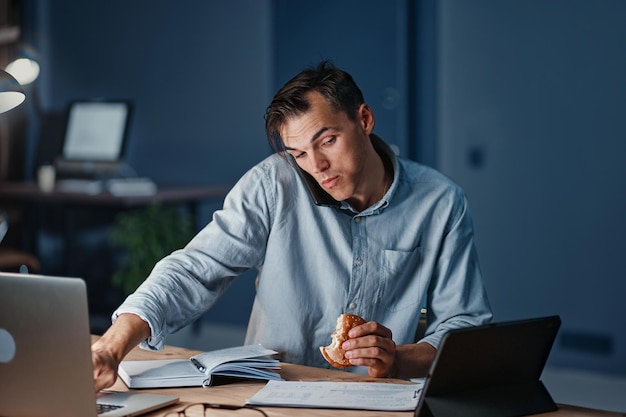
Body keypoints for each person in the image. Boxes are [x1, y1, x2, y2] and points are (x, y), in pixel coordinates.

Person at [92, 61, 492, 391]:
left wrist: (396, 358)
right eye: (299, 153)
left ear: (364, 119)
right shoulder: (274, 183)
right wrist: (111, 345)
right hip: (275, 393)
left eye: (328, 141)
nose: (316, 167)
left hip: (383, 398)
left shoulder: (441, 202)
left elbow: (465, 327)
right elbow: (194, 270)